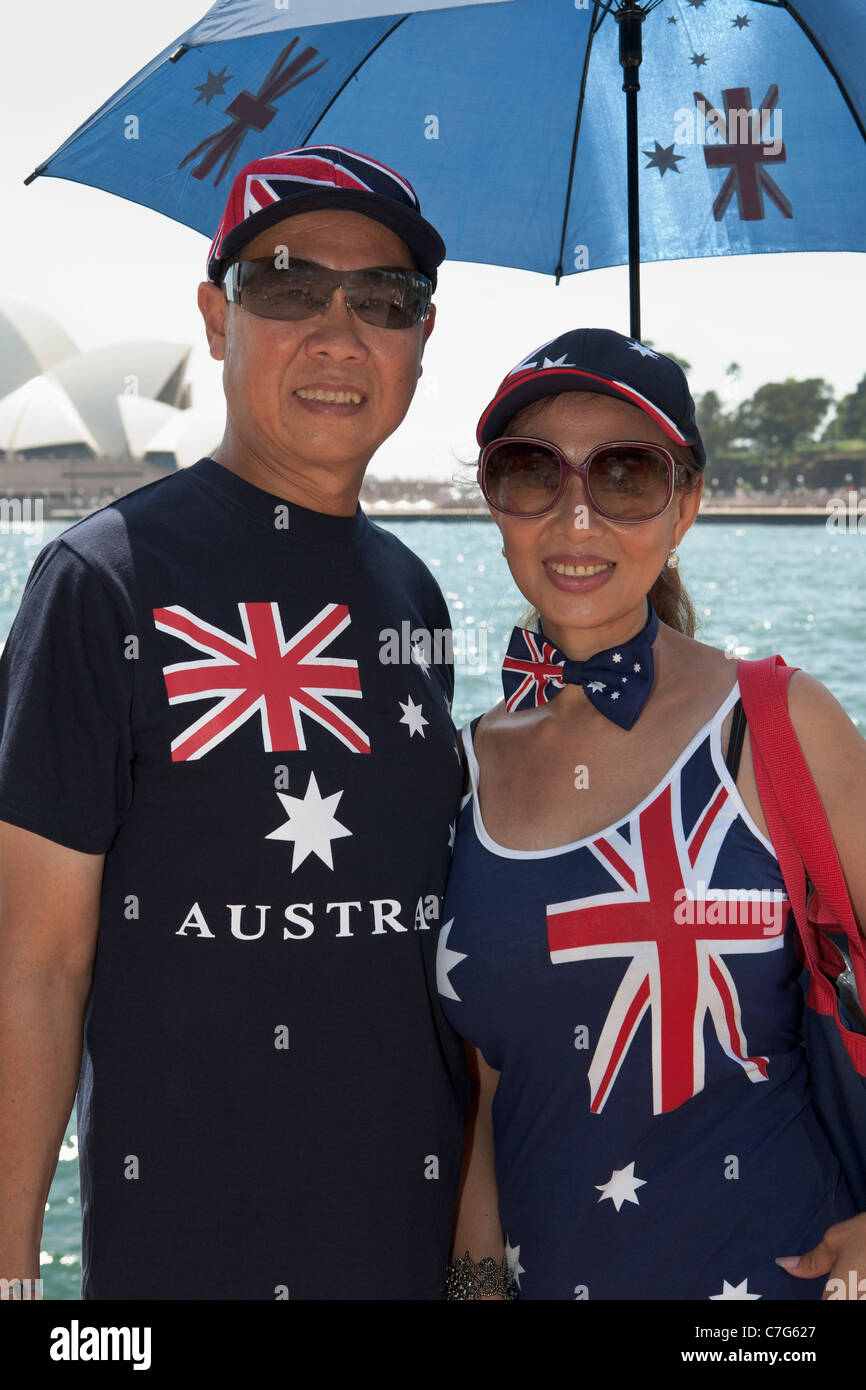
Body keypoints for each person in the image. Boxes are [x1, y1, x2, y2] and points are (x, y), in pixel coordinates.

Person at [0, 145, 467, 1300]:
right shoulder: (98, 580)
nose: (339, 333)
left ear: (420, 340)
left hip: (417, 1250)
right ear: (218, 319)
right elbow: (35, 963)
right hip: (185, 1262)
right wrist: (10, 1271)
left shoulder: (416, 592)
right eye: (289, 287)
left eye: (385, 301)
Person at [439, 327, 866, 1301]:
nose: (576, 516)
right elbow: (484, 1103)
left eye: (625, 474)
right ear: (492, 503)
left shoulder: (777, 722)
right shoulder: (461, 770)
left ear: (685, 505)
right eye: (530, 472)